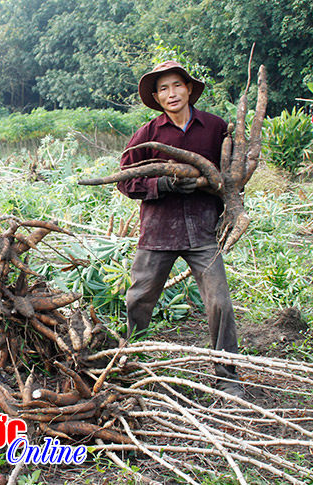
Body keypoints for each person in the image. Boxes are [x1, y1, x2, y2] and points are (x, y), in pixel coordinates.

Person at [117, 60, 243, 398]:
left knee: (220, 303)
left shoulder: (216, 128)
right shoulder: (148, 135)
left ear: (188, 89)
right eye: (163, 89)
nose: (171, 93)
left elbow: (233, 175)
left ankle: (227, 377)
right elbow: (126, 182)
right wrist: (162, 185)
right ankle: (130, 364)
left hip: (203, 230)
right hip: (159, 231)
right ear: (157, 98)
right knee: (138, 301)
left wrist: (229, 203)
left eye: (176, 85)